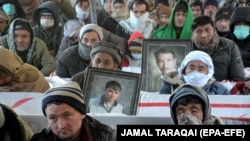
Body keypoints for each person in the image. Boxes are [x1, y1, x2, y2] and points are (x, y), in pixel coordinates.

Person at [30, 81, 116, 141]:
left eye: (67, 115)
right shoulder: (41, 139)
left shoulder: (107, 136)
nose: (61, 126)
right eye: (53, 118)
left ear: (82, 113)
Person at [191, 15, 245, 81]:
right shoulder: (188, 47)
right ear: (193, 33)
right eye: (199, 31)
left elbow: (237, 78)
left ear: (214, 30)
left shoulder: (229, 46)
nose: (204, 35)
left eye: (207, 30)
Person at [160, 50, 230, 95]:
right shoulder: (169, 88)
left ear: (209, 72)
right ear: (183, 70)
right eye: (191, 68)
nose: (195, 72)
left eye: (201, 69)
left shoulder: (220, 90)